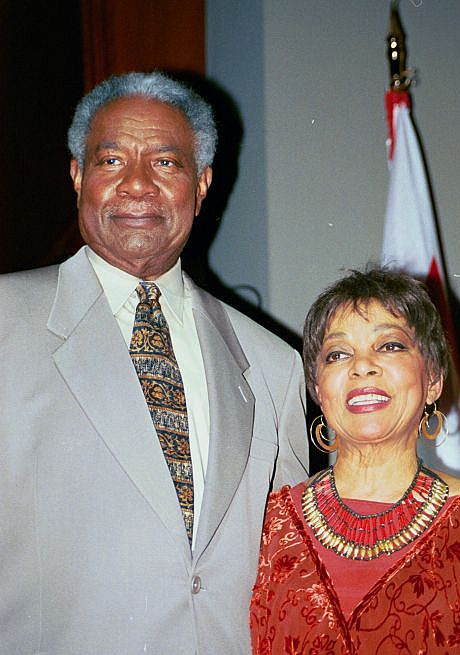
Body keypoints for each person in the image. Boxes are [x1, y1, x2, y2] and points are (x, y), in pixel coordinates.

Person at [0, 72, 308, 654]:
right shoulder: (4, 326)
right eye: (111, 160)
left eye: (166, 164)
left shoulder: (272, 365)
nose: (136, 185)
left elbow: (287, 577)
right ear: (76, 177)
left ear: (202, 185)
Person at [250, 267, 460, 654]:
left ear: (433, 380)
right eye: (337, 354)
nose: (362, 365)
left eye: (390, 345)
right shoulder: (264, 523)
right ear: (318, 390)